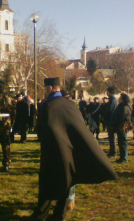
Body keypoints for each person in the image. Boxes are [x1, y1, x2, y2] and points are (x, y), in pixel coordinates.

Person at [31, 78, 118, 221]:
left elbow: (45, 131)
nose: (45, 92)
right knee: (67, 180)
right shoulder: (71, 105)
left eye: (46, 89)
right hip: (70, 149)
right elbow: (79, 126)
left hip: (54, 150)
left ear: (51, 89)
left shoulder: (49, 106)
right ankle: (60, 214)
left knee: (47, 181)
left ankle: (41, 215)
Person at [110, 93, 132, 163]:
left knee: (122, 142)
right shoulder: (121, 106)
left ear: (123, 99)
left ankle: (124, 158)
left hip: (122, 126)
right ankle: (122, 157)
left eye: (120, 98)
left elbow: (120, 117)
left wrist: (114, 124)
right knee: (120, 142)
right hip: (120, 126)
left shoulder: (124, 107)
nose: (118, 99)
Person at [104, 87, 118, 158]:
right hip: (110, 120)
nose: (106, 93)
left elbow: (110, 111)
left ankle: (113, 152)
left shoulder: (112, 100)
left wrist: (105, 117)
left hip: (111, 121)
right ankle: (111, 151)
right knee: (111, 137)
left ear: (110, 92)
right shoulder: (112, 100)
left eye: (107, 92)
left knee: (112, 137)